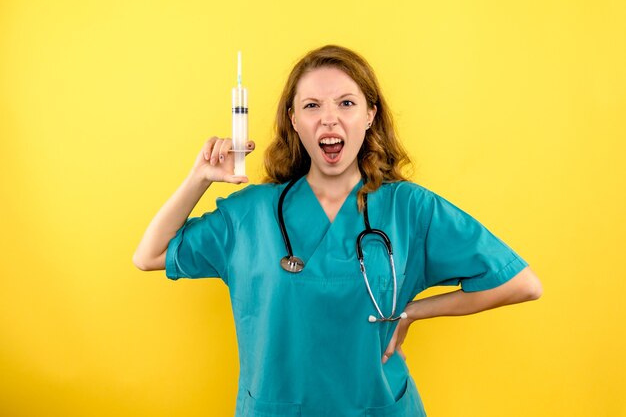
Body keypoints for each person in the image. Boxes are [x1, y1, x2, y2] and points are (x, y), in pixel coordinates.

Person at [133, 44, 542, 416]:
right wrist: (199, 178)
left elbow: (522, 283)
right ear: (294, 121)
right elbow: (149, 255)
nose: (329, 117)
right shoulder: (251, 214)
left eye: (346, 103)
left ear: (369, 115)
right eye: (311, 105)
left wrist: (413, 312)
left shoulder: (410, 208)